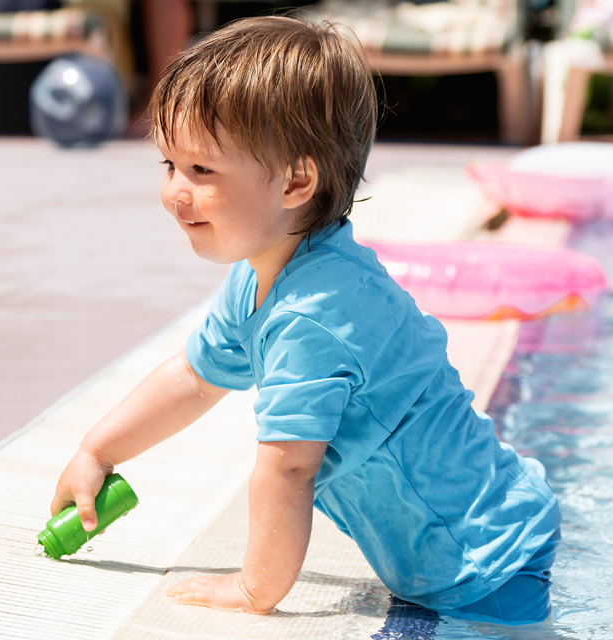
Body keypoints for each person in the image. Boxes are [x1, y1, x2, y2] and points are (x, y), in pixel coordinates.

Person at [49, 16, 562, 625]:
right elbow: (194, 375)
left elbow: (289, 466)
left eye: (202, 171)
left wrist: (253, 589)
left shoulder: (315, 319)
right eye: (170, 165)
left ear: (296, 180)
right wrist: (97, 451)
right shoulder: (265, 273)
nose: (175, 192)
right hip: (464, 552)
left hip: (485, 566)